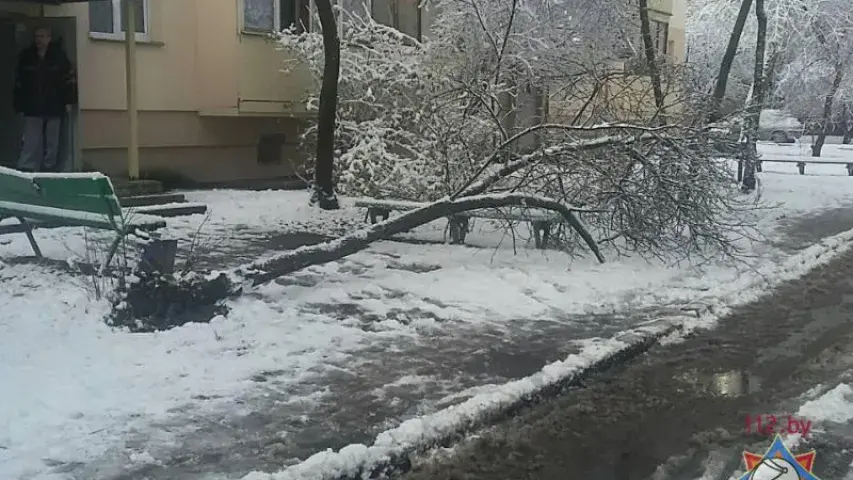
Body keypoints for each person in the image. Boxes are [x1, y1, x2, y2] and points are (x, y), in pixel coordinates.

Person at [13, 25, 76, 172]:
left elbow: (68, 80)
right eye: (37, 36)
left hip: (54, 105)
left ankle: (49, 169)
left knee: (52, 142)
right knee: (31, 140)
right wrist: (18, 105)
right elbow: (19, 83)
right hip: (32, 106)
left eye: (42, 36)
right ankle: (27, 168)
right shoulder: (27, 57)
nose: (39, 40)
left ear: (49, 38)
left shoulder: (59, 57)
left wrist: (68, 101)